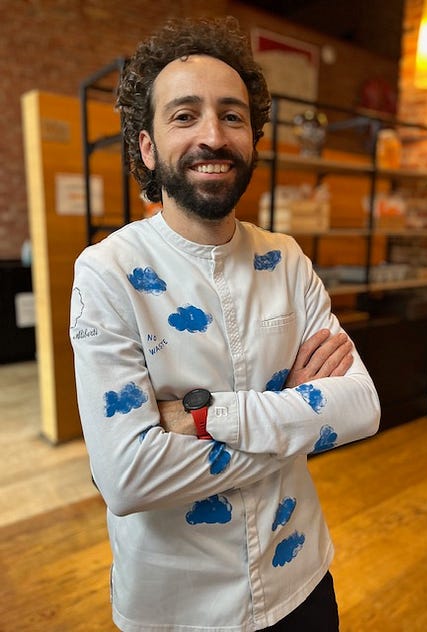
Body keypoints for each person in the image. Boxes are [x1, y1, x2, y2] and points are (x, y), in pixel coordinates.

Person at [70, 15, 380, 632]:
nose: (213, 135)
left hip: (300, 579)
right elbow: (128, 478)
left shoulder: (287, 257)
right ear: (149, 148)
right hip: (178, 606)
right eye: (185, 115)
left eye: (232, 115)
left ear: (253, 139)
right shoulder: (108, 271)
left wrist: (203, 418)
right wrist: (295, 416)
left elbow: (362, 407)